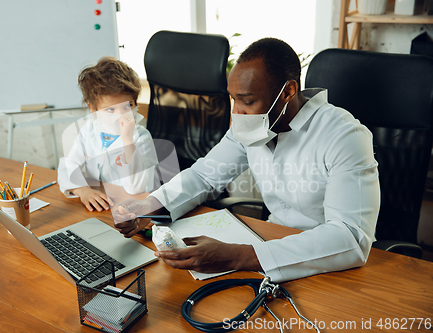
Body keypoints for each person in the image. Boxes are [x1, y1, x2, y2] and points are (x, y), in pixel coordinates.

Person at [113, 38, 380, 282]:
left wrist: (237, 256)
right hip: (269, 246)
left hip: (330, 263)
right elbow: (205, 175)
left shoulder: (344, 136)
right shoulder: (252, 125)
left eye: (248, 101)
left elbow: (350, 237)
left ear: (288, 91)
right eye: (233, 100)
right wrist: (149, 207)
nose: (236, 113)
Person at [57, 57, 157, 212]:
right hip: (104, 205)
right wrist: (83, 191)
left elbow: (136, 188)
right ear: (93, 108)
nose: (121, 115)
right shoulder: (89, 130)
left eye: (128, 106)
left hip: (134, 209)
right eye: (110, 109)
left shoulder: (141, 138)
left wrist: (127, 140)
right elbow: (68, 167)